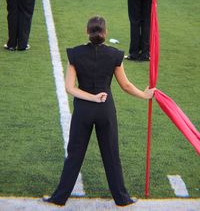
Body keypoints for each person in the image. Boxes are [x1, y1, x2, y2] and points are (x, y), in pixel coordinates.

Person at [43, 16, 155, 207]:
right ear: (105, 33)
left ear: (87, 31)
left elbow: (70, 88)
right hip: (106, 110)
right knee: (111, 154)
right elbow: (126, 86)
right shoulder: (114, 55)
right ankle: (122, 198)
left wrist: (91, 97)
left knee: (75, 153)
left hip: (83, 111)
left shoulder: (76, 54)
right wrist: (145, 95)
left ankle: (59, 198)